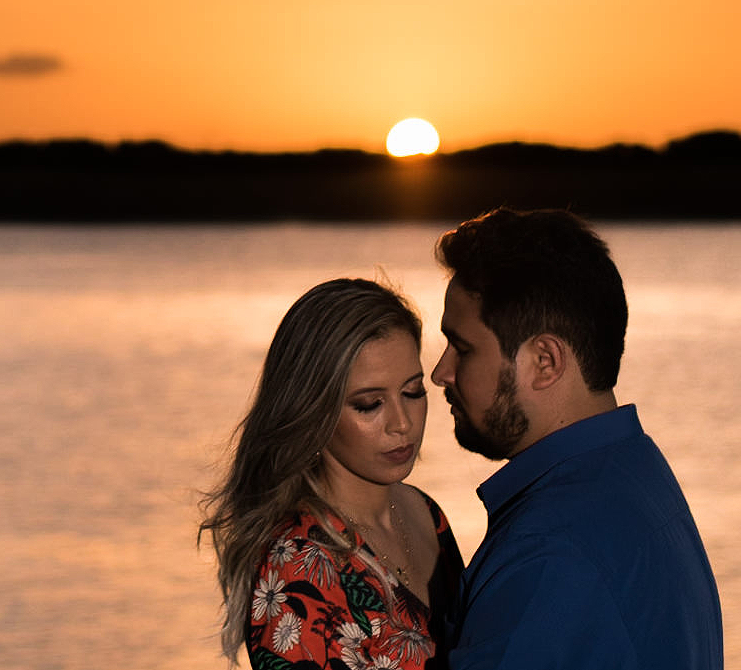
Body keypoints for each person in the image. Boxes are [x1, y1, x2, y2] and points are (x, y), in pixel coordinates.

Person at [431, 207, 723, 669]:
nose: (440, 372)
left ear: (545, 361)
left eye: (462, 348)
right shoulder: (639, 475)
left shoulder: (548, 551)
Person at [200, 278, 464, 669]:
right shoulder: (297, 564)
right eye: (369, 404)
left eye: (412, 392)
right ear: (313, 410)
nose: (402, 423)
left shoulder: (425, 512)